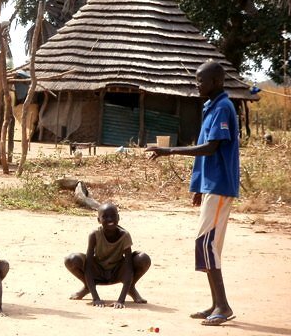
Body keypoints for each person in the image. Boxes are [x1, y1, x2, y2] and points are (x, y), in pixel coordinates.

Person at [146, 60, 239, 326]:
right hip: (211, 186)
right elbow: (207, 151)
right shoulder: (212, 107)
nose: (197, 84)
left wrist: (169, 151)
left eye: (201, 80)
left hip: (220, 186)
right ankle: (215, 304)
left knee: (206, 244)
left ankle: (223, 305)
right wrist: (198, 186)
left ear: (217, 82)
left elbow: (210, 148)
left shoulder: (222, 107)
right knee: (208, 245)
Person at [64, 202, 151, 309]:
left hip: (117, 271)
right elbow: (88, 265)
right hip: (98, 270)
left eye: (113, 216)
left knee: (143, 259)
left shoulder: (124, 235)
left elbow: (128, 267)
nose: (110, 219)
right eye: (105, 217)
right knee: (71, 260)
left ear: (118, 217)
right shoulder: (94, 234)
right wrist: (96, 298)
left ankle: (130, 288)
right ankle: (88, 287)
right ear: (98, 220)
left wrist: (121, 300)